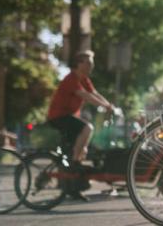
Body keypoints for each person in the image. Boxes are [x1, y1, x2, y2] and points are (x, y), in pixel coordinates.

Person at [47, 50, 115, 200]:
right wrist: (106, 107)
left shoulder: (84, 79)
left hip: (68, 117)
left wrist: (109, 105)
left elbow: (95, 93)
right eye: (88, 63)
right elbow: (86, 96)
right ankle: (75, 162)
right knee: (87, 128)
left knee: (78, 148)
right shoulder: (71, 79)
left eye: (92, 63)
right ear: (78, 64)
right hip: (58, 117)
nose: (92, 66)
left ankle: (73, 187)